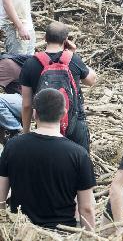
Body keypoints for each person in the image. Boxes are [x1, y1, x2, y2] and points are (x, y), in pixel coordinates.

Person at [0, 89, 96, 229]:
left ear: (34, 113)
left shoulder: (12, 146)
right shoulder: (79, 155)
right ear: (64, 114)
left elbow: (1, 197)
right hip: (61, 238)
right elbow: (86, 209)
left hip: (20, 230)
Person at [20, 21, 97, 150]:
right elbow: (91, 80)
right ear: (65, 40)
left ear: (45, 38)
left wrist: (26, 132)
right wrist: (73, 54)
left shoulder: (30, 64)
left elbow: (27, 105)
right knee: (79, 163)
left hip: (45, 127)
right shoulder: (73, 59)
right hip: (74, 123)